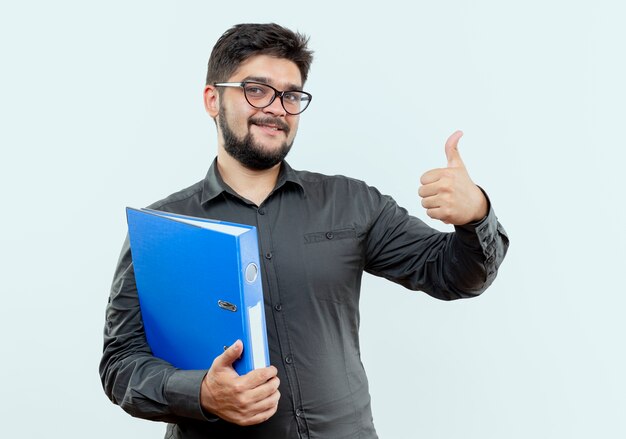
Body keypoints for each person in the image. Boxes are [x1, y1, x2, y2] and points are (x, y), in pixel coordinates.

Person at [100, 23, 509, 439]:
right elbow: (120, 363)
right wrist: (202, 393)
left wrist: (475, 214)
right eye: (256, 89)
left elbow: (455, 276)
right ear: (213, 99)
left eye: (290, 95)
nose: (277, 108)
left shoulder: (352, 202)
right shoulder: (162, 230)